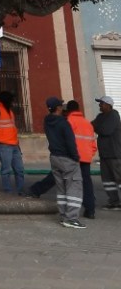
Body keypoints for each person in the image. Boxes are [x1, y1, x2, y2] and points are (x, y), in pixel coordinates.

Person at [44, 95, 82, 229]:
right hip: (67, 159)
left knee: (61, 189)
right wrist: (76, 157)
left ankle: (63, 216)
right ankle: (71, 219)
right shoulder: (63, 123)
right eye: (61, 105)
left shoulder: (47, 121)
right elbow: (70, 142)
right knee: (74, 187)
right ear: (59, 108)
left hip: (54, 157)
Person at [0, 90, 25, 195]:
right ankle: (8, 192)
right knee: (6, 170)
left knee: (20, 170)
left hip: (14, 145)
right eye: (11, 100)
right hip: (3, 145)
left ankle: (21, 191)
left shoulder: (10, 112)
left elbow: (12, 129)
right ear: (6, 100)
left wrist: (18, 145)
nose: (13, 102)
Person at [65, 99, 97, 219]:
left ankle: (70, 210)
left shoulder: (69, 121)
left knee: (68, 181)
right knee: (87, 183)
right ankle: (90, 210)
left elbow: (67, 141)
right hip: (86, 158)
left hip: (73, 157)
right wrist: (89, 154)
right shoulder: (87, 123)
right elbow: (93, 144)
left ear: (68, 110)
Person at [93, 95, 121, 210]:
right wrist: (97, 126)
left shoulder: (113, 115)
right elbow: (92, 125)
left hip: (115, 154)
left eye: (102, 103)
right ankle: (114, 202)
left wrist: (97, 126)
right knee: (107, 180)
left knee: (119, 178)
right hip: (104, 155)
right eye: (99, 103)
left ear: (108, 105)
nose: (99, 105)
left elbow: (105, 130)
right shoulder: (100, 116)